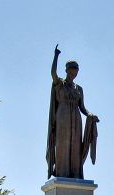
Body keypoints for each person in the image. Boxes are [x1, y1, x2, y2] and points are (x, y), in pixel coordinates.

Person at [46, 44, 99, 179]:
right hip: (63, 116)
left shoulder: (79, 89)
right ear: (67, 70)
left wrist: (90, 115)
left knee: (75, 146)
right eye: (72, 69)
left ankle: (74, 172)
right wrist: (56, 56)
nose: (75, 71)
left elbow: (82, 107)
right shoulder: (60, 83)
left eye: (77, 69)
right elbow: (53, 73)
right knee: (62, 144)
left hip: (76, 118)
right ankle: (61, 172)